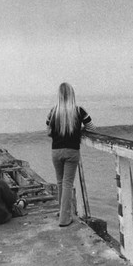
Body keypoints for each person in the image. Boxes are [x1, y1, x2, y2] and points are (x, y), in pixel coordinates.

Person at [46, 82, 96, 227]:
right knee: (68, 183)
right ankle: (64, 219)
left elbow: (48, 131)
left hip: (56, 151)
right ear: (72, 94)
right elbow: (92, 129)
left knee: (60, 182)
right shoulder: (79, 111)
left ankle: (61, 212)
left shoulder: (53, 111)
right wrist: (79, 130)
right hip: (72, 151)